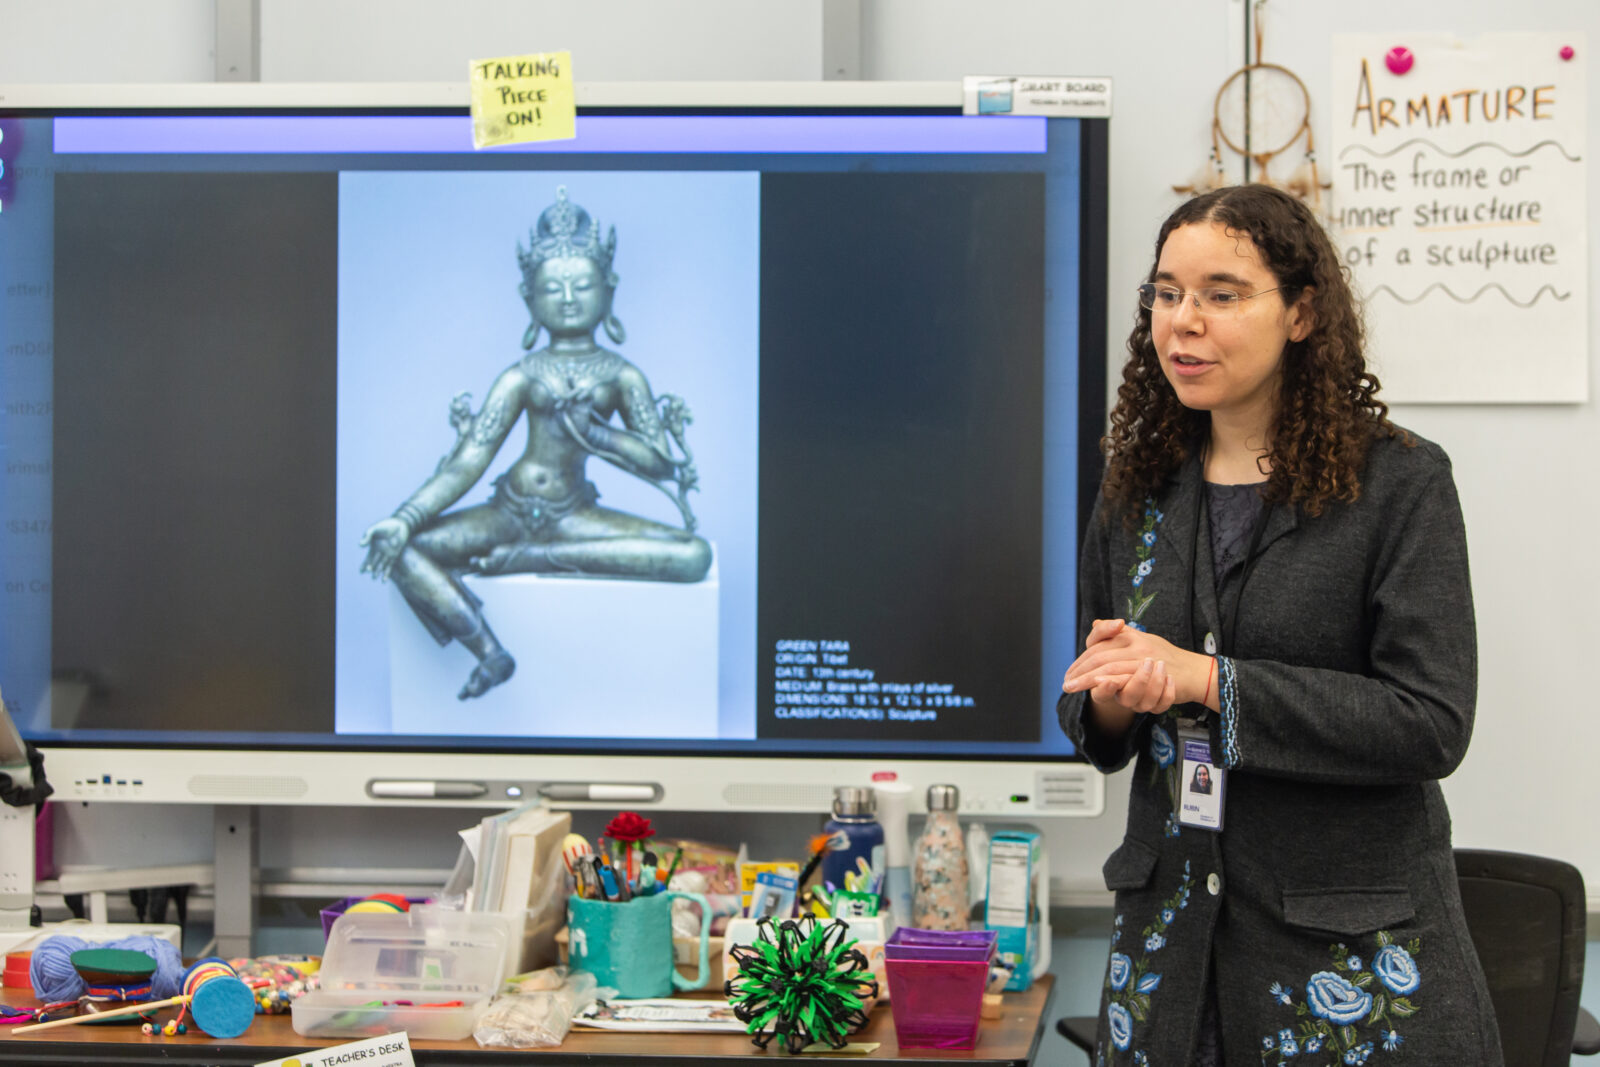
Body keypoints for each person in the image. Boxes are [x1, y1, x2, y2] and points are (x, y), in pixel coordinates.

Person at [1057, 184, 1500, 1065]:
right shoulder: (1136, 483)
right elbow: (1094, 719)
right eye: (1167, 293)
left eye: (1221, 294)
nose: (1184, 321)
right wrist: (1116, 695)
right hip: (1171, 956)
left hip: (1343, 959)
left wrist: (1209, 681)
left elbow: (1430, 721)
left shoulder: (1399, 484)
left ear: (1301, 313)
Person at [361, 187, 712, 700]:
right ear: (529, 299)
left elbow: (658, 464)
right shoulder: (522, 376)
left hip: (574, 516)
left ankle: (536, 559)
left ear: (608, 291)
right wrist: (404, 517)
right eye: (553, 288)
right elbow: (469, 461)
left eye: (583, 285)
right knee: (402, 550)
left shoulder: (622, 375)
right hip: (509, 511)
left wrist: (598, 432)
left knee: (694, 556)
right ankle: (490, 652)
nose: (568, 298)